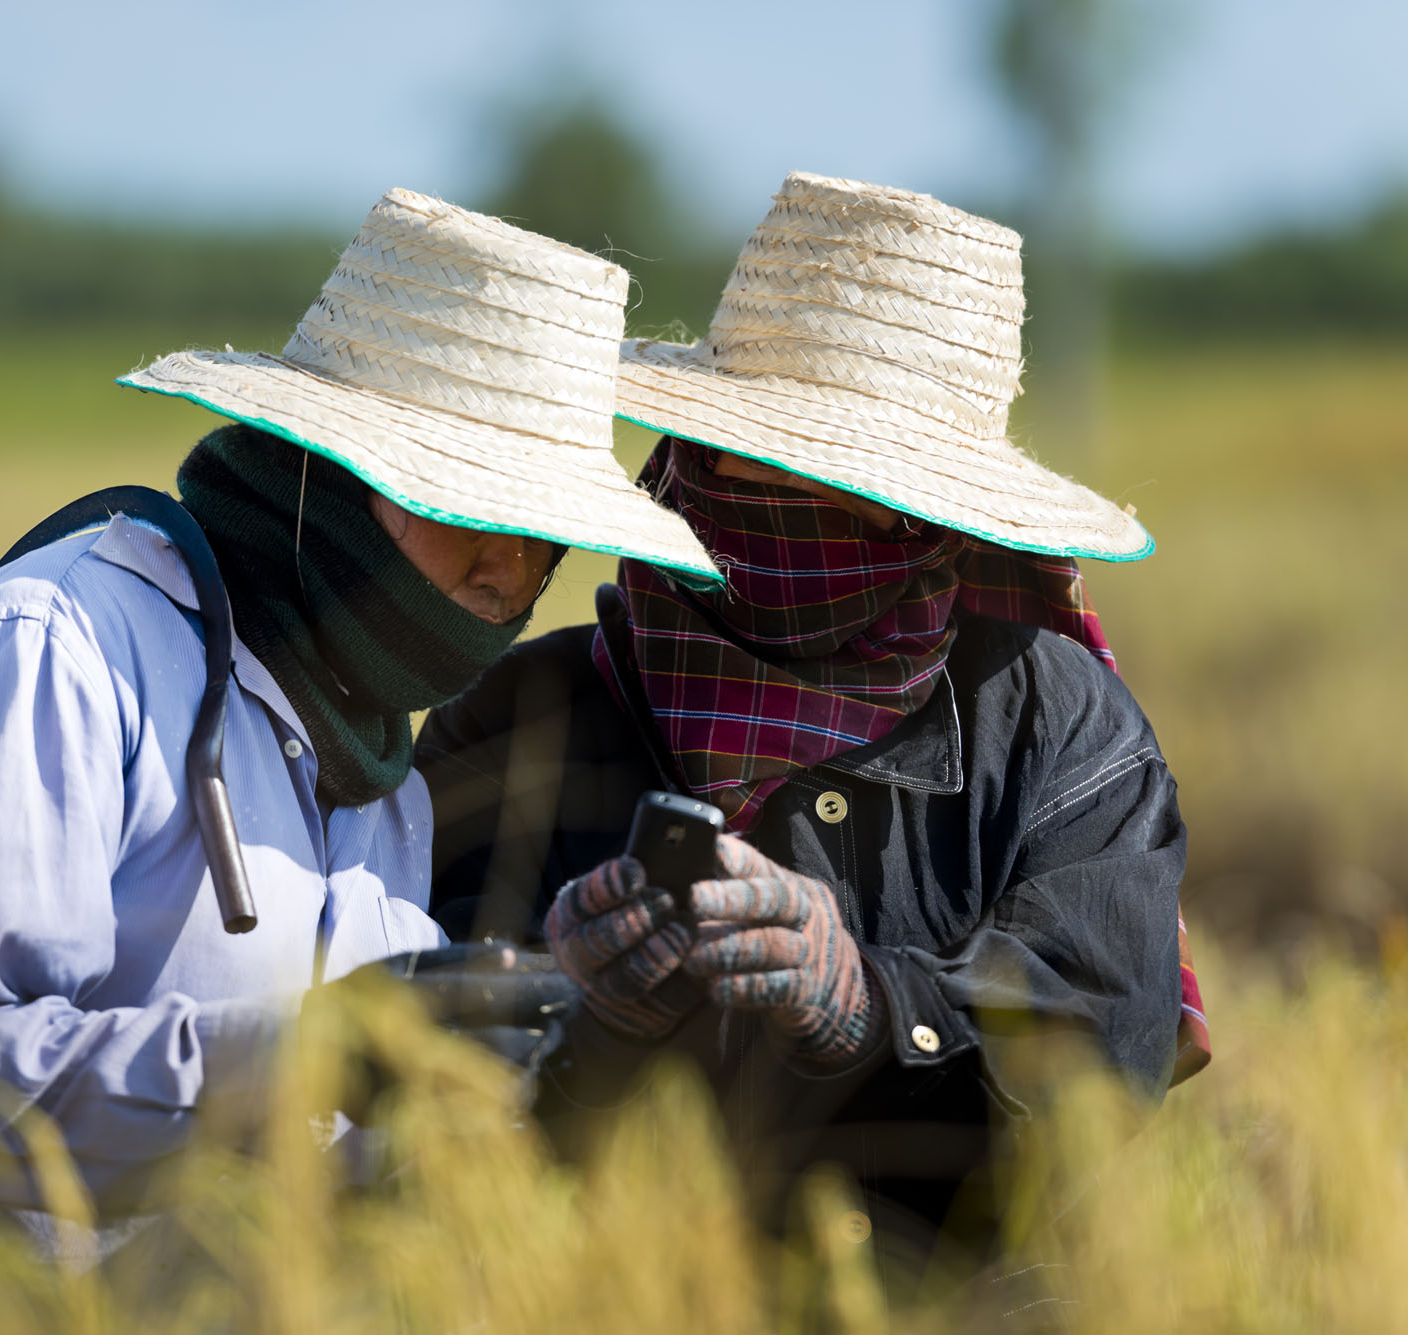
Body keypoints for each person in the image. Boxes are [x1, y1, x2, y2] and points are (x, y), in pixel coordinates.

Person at [0, 188, 719, 1238]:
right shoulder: (55, 656)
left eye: (545, 531)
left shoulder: (381, 774)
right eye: (469, 505)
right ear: (317, 471)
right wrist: (310, 1054)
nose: (511, 570)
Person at [419, 174, 1210, 1282]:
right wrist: (581, 1016)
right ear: (694, 452)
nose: (793, 506)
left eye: (848, 487)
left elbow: (1092, 1073)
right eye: (763, 459)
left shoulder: (1058, 728)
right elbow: (403, 1083)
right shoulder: (519, 723)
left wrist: (864, 1003)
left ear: (933, 516)